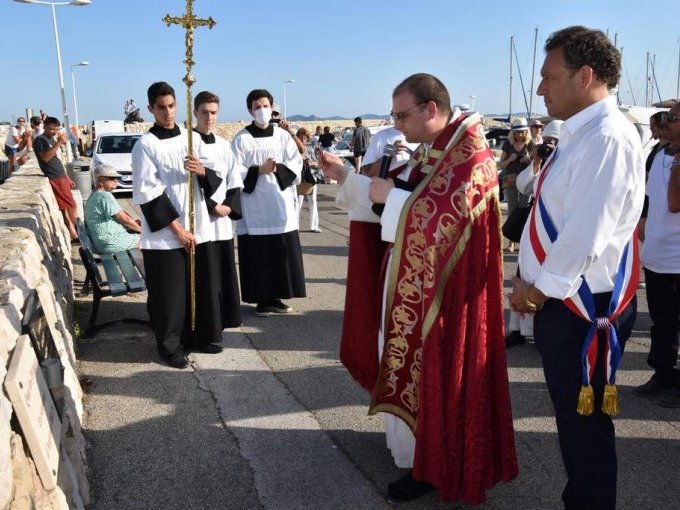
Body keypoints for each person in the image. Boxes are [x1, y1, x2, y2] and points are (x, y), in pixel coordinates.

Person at [319, 73, 517, 504]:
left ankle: (432, 464)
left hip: (443, 297)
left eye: (402, 114)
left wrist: (387, 193)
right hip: (413, 280)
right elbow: (410, 202)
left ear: (430, 108)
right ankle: (415, 453)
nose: (397, 123)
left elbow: (435, 224)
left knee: (433, 375)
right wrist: (349, 181)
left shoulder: (471, 156)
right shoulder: (438, 150)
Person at [509, 27, 644, 510]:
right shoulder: (580, 134)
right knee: (573, 421)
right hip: (561, 300)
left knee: (583, 426)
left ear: (585, 76)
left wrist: (534, 294)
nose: (541, 88)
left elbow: (583, 236)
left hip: (581, 308)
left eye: (548, 77)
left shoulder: (607, 139)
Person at [132, 81, 225, 369]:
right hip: (166, 234)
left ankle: (195, 336)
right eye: (161, 107)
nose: (168, 112)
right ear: (150, 109)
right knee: (170, 294)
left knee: (198, 286)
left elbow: (214, 177)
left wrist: (202, 171)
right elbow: (148, 193)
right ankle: (169, 347)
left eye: (171, 105)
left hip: (197, 227)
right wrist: (179, 230)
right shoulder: (145, 145)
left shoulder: (190, 138)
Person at [231, 89, 306, 317]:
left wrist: (278, 170)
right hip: (254, 207)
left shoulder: (283, 136)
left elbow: (296, 164)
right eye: (256, 106)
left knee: (280, 252)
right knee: (259, 255)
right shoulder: (241, 138)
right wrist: (258, 170)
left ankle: (278, 297)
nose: (261, 110)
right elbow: (233, 171)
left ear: (272, 107)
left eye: (265, 105)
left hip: (279, 204)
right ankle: (262, 300)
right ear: (250, 110)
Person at [633, 104, 680, 408]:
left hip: (677, 256)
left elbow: (675, 203)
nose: (665, 122)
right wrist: (642, 220)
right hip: (657, 253)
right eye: (666, 117)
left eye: (673, 118)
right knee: (661, 320)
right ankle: (663, 374)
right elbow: (649, 196)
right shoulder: (658, 153)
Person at [506, 120, 563, 348]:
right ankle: (518, 329)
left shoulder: (569, 163)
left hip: (553, 231)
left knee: (545, 282)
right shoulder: (543, 162)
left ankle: (543, 331)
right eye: (547, 141)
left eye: (554, 142)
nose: (550, 145)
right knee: (524, 276)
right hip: (533, 228)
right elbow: (523, 186)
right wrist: (536, 161)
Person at [192, 90, 244, 329]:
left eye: (213, 112)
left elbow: (234, 180)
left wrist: (227, 207)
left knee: (223, 271)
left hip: (223, 221)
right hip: (202, 217)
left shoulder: (224, 145)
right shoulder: (188, 142)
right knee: (206, 273)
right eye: (204, 112)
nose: (209, 117)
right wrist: (212, 206)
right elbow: (189, 184)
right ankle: (207, 321)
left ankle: (226, 316)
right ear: (195, 113)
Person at [33, 117, 79, 241]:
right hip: (55, 177)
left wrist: (67, 177)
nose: (55, 132)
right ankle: (78, 231)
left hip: (60, 176)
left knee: (65, 207)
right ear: (45, 127)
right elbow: (46, 158)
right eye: (52, 129)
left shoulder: (50, 139)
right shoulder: (40, 140)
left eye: (57, 129)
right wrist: (58, 142)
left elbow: (57, 160)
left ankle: (74, 233)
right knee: (71, 206)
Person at [84, 164, 141, 254]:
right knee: (147, 240)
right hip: (110, 242)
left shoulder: (94, 194)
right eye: (111, 178)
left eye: (116, 178)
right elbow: (126, 220)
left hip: (102, 243)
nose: (115, 181)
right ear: (100, 180)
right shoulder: (104, 196)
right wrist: (142, 231)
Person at [498, 118, 532, 252]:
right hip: (511, 179)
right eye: (517, 132)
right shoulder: (508, 144)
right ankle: (511, 243)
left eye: (522, 132)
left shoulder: (530, 144)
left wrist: (528, 160)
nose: (519, 135)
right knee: (512, 210)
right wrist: (510, 160)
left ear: (525, 132)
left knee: (524, 209)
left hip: (525, 179)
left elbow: (536, 163)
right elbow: (501, 164)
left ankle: (522, 241)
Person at [294, 127, 321, 232]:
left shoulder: (309, 149)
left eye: (305, 138)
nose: (303, 140)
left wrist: (311, 163)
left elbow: (317, 165)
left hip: (310, 177)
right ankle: (295, 226)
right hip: (299, 178)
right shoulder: (294, 149)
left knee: (313, 201)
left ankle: (314, 226)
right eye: (301, 138)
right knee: (297, 202)